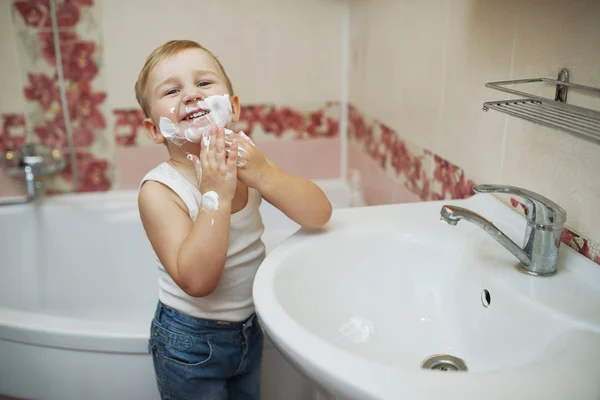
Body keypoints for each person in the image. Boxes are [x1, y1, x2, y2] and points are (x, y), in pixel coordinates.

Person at [135, 39, 332, 399]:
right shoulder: (160, 191)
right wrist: (215, 197)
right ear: (154, 129)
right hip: (188, 342)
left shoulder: (247, 162)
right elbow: (197, 280)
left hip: (249, 328)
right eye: (173, 90)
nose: (192, 95)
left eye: (204, 83)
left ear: (234, 106)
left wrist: (265, 176)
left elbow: (319, 215)